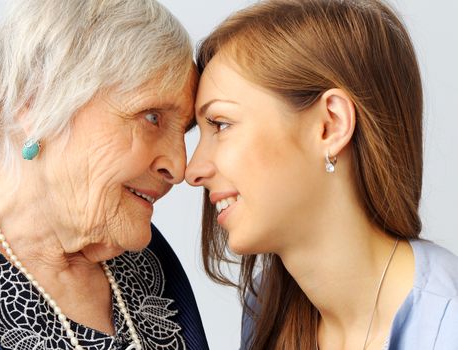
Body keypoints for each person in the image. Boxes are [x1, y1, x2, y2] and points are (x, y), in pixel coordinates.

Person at [0, 1, 210, 349]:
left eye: (184, 131)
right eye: (151, 117)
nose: (179, 166)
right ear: (36, 99)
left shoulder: (149, 264)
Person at [185, 0, 458, 349]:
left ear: (331, 125)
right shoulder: (267, 313)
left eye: (221, 124)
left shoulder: (447, 323)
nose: (192, 171)